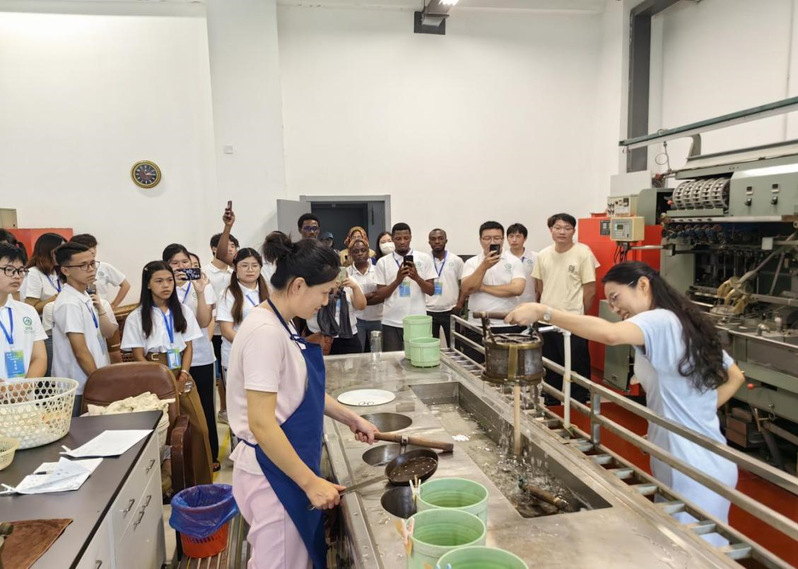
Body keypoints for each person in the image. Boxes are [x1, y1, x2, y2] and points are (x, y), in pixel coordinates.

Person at [505, 261, 744, 536]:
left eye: (616, 298)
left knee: (697, 546)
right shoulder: (682, 323)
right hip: (691, 454)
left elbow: (609, 334)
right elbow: (735, 377)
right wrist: (682, 419)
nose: (615, 309)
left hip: (692, 466)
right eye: (610, 303)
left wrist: (544, 312)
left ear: (643, 285)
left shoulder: (661, 320)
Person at [227, 232, 378, 569]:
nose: (325, 302)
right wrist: (311, 483)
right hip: (273, 472)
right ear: (298, 286)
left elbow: (301, 389)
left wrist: (352, 418)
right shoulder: (265, 333)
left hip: (286, 462)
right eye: (323, 293)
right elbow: (262, 423)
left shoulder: (282, 324)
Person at [121, 260, 214, 485]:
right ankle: (166, 486)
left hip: (181, 371)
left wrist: (184, 373)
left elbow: (189, 346)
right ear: (148, 284)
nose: (166, 286)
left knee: (199, 429)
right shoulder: (137, 316)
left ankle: (200, 482)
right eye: (159, 281)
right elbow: (138, 354)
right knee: (165, 432)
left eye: (169, 281)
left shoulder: (182, 310)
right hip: (152, 373)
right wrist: (157, 378)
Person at [163, 244, 220, 472]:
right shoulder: (164, 288)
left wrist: (199, 291)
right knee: (177, 411)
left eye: (184, 262)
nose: (181, 267)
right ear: (166, 265)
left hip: (201, 356)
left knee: (205, 407)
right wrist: (173, 287)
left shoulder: (203, 286)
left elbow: (204, 321)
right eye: (174, 263)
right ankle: (181, 459)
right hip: (173, 359)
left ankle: (209, 454)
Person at [531, 213, 596, 403]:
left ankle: (578, 407)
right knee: (551, 367)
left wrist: (579, 315)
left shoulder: (583, 253)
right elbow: (540, 287)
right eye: (558, 228)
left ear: (573, 231)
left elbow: (590, 290)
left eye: (567, 228)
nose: (562, 232)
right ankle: (552, 405)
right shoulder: (543, 255)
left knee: (577, 368)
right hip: (547, 320)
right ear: (551, 230)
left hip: (573, 322)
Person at [51, 242, 117, 415]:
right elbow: (80, 351)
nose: (91, 269)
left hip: (92, 379)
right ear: (66, 270)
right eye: (83, 265)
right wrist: (99, 381)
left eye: (92, 263)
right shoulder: (69, 303)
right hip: (77, 386)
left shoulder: (85, 295)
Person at [372, 223, 435, 352]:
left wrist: (416, 277)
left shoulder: (424, 258)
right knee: (392, 361)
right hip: (391, 322)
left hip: (417, 321)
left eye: (406, 238)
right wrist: (397, 280)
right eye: (398, 238)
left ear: (411, 238)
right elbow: (380, 294)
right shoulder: (383, 262)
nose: (402, 242)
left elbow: (431, 291)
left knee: (417, 358)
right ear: (393, 239)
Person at [216, 248, 269, 374]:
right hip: (237, 355)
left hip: (265, 354)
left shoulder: (268, 292)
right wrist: (252, 346)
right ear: (235, 268)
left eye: (255, 265)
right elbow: (227, 331)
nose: (250, 269)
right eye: (244, 265)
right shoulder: (227, 294)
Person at [206, 228, 239, 425]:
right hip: (215, 331)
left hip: (234, 330)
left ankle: (233, 408)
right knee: (222, 374)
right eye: (228, 245)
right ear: (214, 249)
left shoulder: (236, 272)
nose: (231, 249)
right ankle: (224, 409)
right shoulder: (205, 272)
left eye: (234, 246)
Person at [0, 243, 47, 380]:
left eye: (21, 270)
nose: (17, 276)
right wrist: (5, 389)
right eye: (9, 270)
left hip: (25, 391)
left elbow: (39, 358)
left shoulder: (28, 311)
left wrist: (25, 386)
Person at [24, 232, 67, 375]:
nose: (63, 255)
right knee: (51, 373)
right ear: (48, 251)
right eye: (59, 250)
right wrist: (57, 297)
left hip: (62, 327)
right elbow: (31, 307)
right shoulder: (34, 273)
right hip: (45, 332)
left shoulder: (57, 272)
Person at [305, 262, 366, 355]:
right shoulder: (314, 282)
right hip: (319, 336)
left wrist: (354, 287)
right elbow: (309, 308)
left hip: (348, 336)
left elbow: (361, 306)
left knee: (352, 363)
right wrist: (329, 289)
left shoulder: (349, 281)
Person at [69, 234, 131, 309]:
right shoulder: (73, 270)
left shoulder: (105, 267)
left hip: (102, 309)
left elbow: (125, 285)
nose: (92, 251)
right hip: (81, 309)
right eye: (88, 248)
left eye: (94, 247)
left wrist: (113, 305)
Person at [425, 228, 464, 346]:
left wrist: (460, 304)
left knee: (455, 346)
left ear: (446, 241)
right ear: (429, 242)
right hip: (428, 310)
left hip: (451, 310)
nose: (437, 241)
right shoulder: (424, 260)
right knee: (430, 346)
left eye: (440, 238)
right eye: (433, 239)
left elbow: (463, 284)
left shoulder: (456, 260)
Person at [346, 238, 383, 352]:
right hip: (357, 320)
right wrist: (371, 294)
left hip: (378, 318)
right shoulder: (347, 273)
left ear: (368, 251)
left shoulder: (378, 270)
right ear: (350, 253)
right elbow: (350, 300)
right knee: (358, 352)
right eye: (356, 251)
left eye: (363, 250)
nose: (360, 253)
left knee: (378, 352)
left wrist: (361, 298)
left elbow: (381, 296)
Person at [507, 223, 538, 304]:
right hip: (507, 303)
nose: (514, 240)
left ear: (525, 238)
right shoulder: (502, 258)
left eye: (518, 236)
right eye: (511, 236)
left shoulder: (535, 257)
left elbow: (539, 283)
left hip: (529, 302)